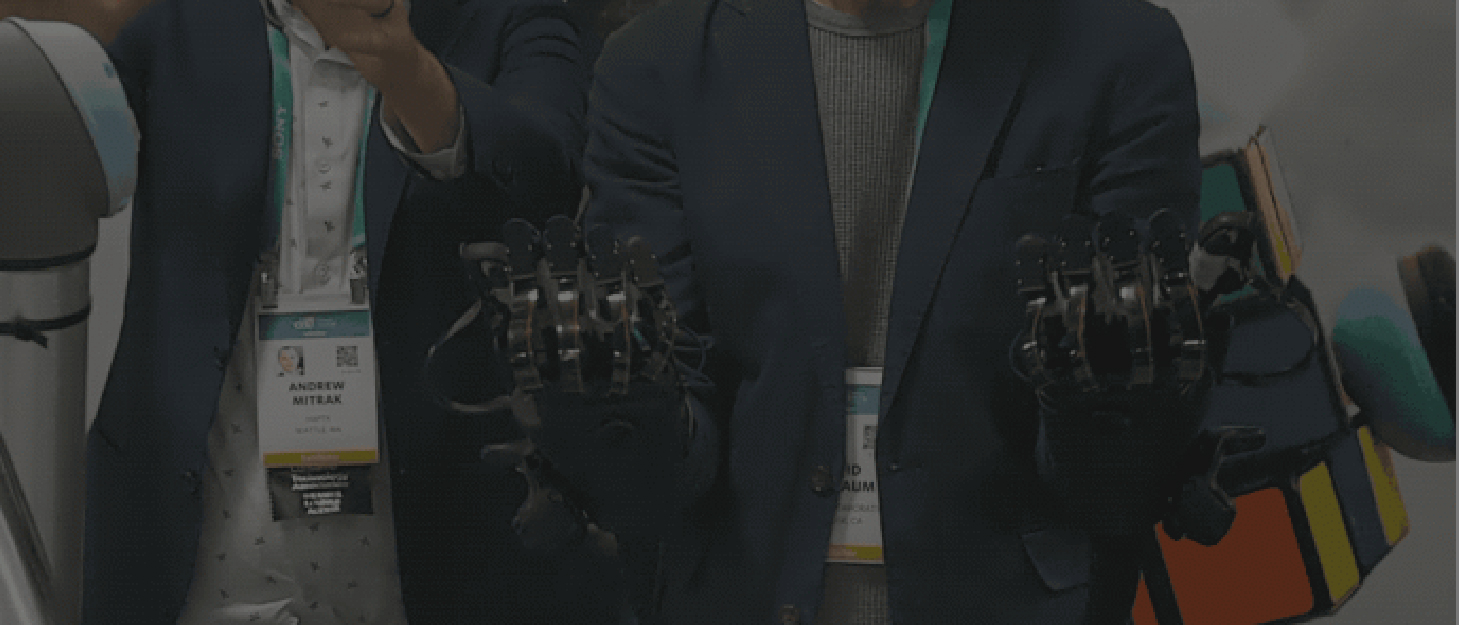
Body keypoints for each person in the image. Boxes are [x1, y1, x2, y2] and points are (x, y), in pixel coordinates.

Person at [582, 0, 1202, 621]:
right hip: (745, 592)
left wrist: (1102, 401)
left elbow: (1117, 462)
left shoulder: (1119, 52)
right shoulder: (656, 68)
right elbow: (664, 437)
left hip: (1010, 596)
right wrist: (615, 409)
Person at [82, 0, 590, 622]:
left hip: (432, 562)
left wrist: (411, 76)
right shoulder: (174, 16)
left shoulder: (504, 17)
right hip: (193, 560)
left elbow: (552, 184)